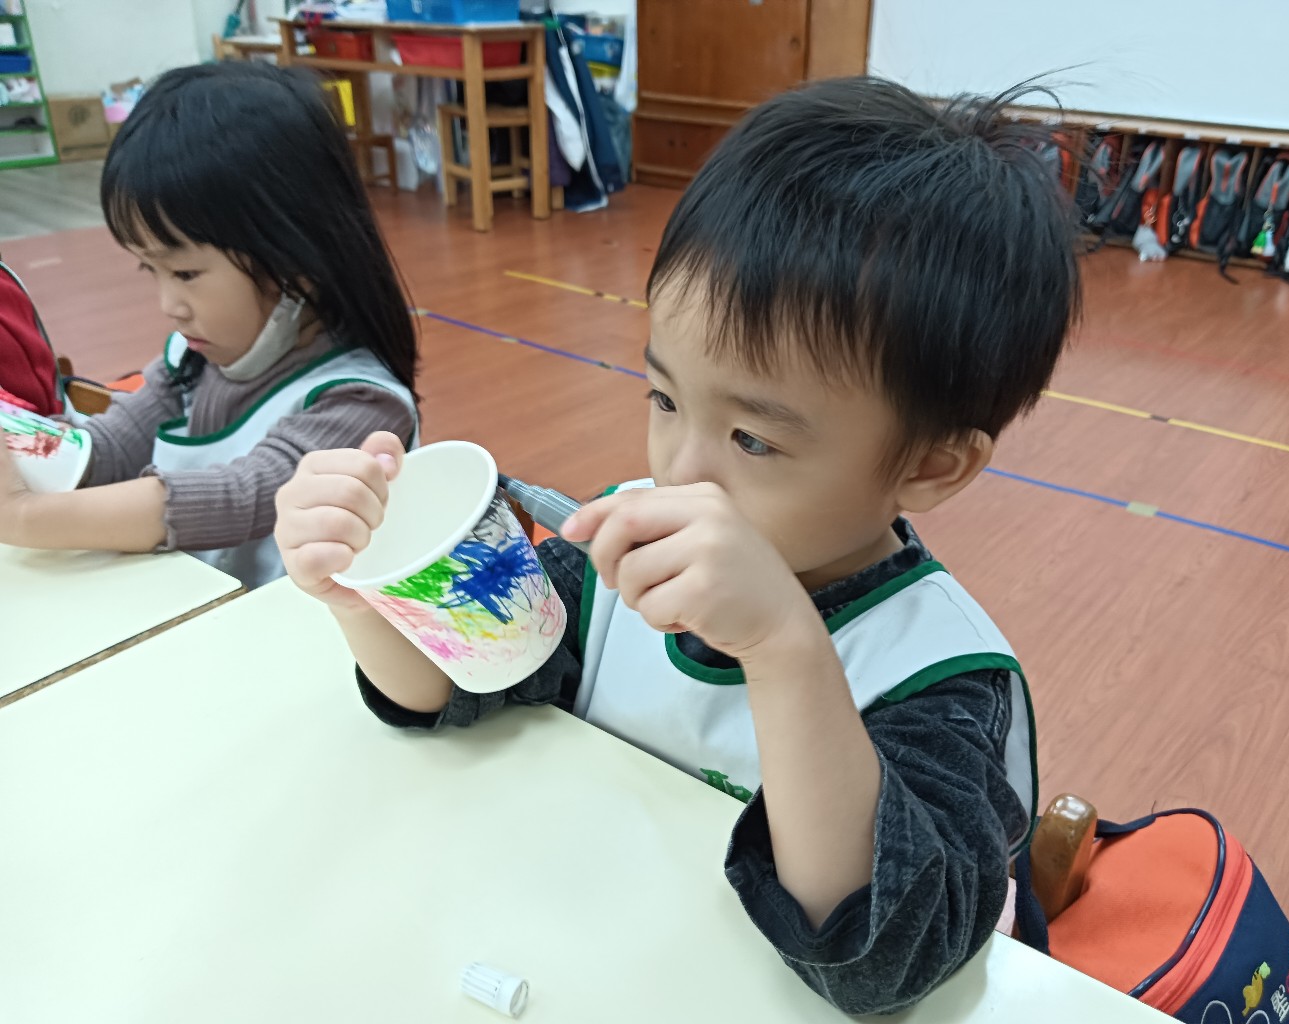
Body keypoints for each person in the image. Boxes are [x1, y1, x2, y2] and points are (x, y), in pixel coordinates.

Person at [274, 78, 1079, 1013]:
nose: (681, 473)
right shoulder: (622, 554)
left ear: (932, 465)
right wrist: (366, 596)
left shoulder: (940, 676)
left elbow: (880, 961)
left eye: (753, 440)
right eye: (664, 399)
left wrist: (782, 646)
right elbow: (471, 686)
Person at [0, 62, 418, 589]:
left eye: (185, 274)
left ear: (295, 258)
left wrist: (22, 517)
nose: (168, 305)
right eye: (150, 270)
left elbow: (242, 497)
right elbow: (106, 448)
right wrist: (25, 443)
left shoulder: (359, 402)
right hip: (195, 602)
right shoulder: (194, 358)